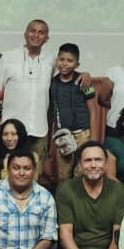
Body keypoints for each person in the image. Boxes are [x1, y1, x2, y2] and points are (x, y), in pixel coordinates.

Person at [0, 20, 53, 162]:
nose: (36, 35)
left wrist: (85, 74)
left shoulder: (51, 60)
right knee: (9, 169)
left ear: (46, 38)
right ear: (25, 34)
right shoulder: (8, 57)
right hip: (12, 131)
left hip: (39, 130)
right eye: (32, 31)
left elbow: (65, 78)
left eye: (41, 32)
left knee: (35, 171)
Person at [46, 43, 99, 185]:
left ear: (77, 64)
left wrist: (93, 140)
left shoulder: (84, 81)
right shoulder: (52, 84)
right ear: (57, 60)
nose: (65, 64)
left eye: (70, 61)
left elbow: (93, 111)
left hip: (83, 134)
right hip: (63, 135)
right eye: (61, 59)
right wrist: (50, 141)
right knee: (63, 175)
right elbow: (50, 113)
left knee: (81, 172)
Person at [0, 118, 42, 186]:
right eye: (5, 134)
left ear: (21, 135)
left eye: (13, 134)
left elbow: (33, 185)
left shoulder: (33, 156)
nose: (9, 138)